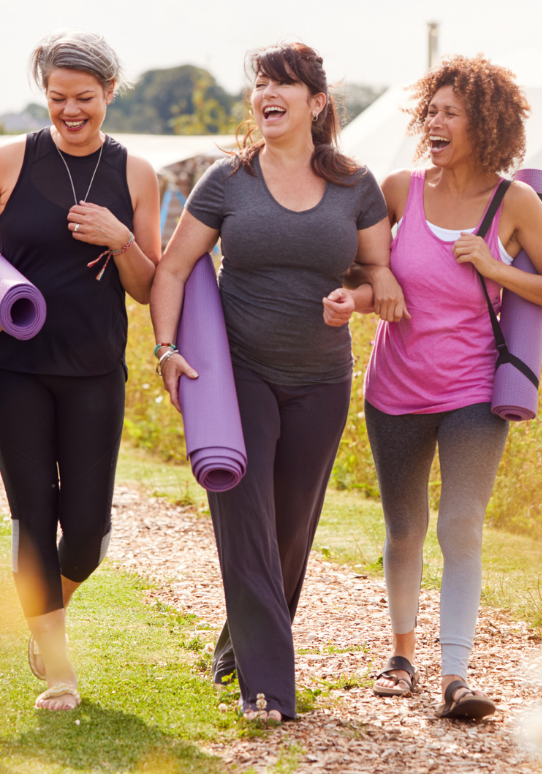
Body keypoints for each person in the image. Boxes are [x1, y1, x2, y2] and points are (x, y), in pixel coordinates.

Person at [150, 42, 400, 723]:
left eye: (282, 83)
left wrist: (360, 301)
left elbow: (381, 276)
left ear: (316, 103)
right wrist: (166, 348)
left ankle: (239, 645)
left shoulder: (356, 184)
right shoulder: (227, 181)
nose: (266, 92)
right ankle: (268, 689)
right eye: (260, 81)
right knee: (246, 517)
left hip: (322, 378)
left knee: (290, 528)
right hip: (240, 374)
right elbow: (172, 269)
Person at [0, 31, 161, 712]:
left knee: (86, 532)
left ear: (110, 92)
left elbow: (148, 287)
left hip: (94, 368)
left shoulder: (137, 174)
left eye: (84, 98)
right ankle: (60, 670)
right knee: (35, 515)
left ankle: (41, 612)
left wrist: (120, 239)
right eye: (58, 97)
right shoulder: (9, 160)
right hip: (11, 365)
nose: (70, 111)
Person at [358, 55, 542, 719]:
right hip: (393, 387)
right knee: (405, 527)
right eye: (431, 110)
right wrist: (377, 287)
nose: (435, 121)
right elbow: (360, 267)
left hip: (474, 394)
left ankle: (456, 673)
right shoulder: (399, 191)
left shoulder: (515, 204)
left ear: (485, 124)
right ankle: (401, 658)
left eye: (450, 112)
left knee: (460, 525)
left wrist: (495, 266)